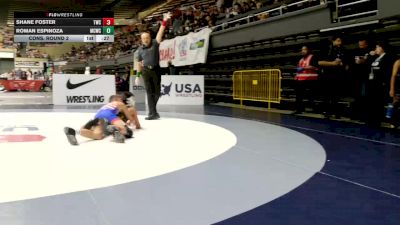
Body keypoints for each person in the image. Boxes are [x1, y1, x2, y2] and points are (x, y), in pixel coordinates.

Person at [136, 12, 172, 120]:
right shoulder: (139, 50)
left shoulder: (155, 43)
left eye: (147, 38)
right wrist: (138, 75)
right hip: (146, 71)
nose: (145, 40)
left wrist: (164, 21)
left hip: (156, 70)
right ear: (141, 40)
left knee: (156, 93)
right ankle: (152, 113)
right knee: (149, 92)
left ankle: (154, 112)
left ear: (149, 37)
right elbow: (139, 63)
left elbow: (160, 33)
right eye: (143, 38)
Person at [64, 95, 136, 145]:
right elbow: (130, 118)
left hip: (98, 116)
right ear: (116, 99)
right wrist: (130, 122)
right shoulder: (119, 103)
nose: (122, 100)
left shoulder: (105, 106)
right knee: (127, 131)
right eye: (121, 99)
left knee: (98, 135)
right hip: (109, 115)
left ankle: (75, 131)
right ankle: (116, 130)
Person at [318, 35, 350, 118]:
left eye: (341, 41)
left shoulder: (343, 50)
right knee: (327, 94)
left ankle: (336, 111)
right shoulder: (327, 49)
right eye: (338, 40)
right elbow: (320, 62)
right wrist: (332, 63)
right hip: (327, 75)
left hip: (338, 75)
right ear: (333, 41)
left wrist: (342, 63)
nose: (340, 42)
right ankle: (327, 111)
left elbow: (347, 64)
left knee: (336, 95)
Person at [365, 42, 395, 127]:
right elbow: (369, 66)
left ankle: (376, 121)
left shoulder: (387, 58)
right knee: (371, 102)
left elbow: (387, 71)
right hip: (372, 83)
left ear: (382, 48)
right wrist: (370, 55)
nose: (375, 49)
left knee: (377, 103)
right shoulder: (375, 58)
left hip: (380, 84)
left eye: (377, 47)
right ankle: (370, 120)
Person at [293, 45, 319, 114]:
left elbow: (314, 66)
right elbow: (299, 69)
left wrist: (303, 68)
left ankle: (313, 108)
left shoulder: (312, 57)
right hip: (301, 79)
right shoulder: (301, 59)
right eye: (302, 50)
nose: (303, 51)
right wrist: (296, 76)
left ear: (308, 50)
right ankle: (299, 109)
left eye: (304, 49)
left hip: (310, 79)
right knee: (298, 94)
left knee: (309, 95)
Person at [389, 59, 400, 128]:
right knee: (396, 104)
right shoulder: (398, 62)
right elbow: (393, 76)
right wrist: (392, 89)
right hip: (398, 87)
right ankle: (393, 124)